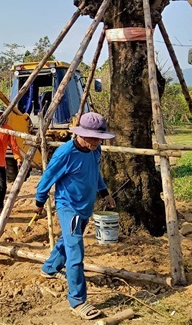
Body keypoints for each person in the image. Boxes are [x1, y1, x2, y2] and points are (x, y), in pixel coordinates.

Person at [34, 112, 116, 320]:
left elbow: (95, 173)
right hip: (69, 207)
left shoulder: (94, 150)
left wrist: (105, 192)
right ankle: (77, 300)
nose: (97, 142)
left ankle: (50, 267)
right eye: (94, 138)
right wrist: (39, 201)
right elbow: (48, 177)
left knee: (68, 241)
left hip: (85, 206)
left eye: (100, 138)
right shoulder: (65, 153)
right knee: (76, 252)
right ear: (81, 134)